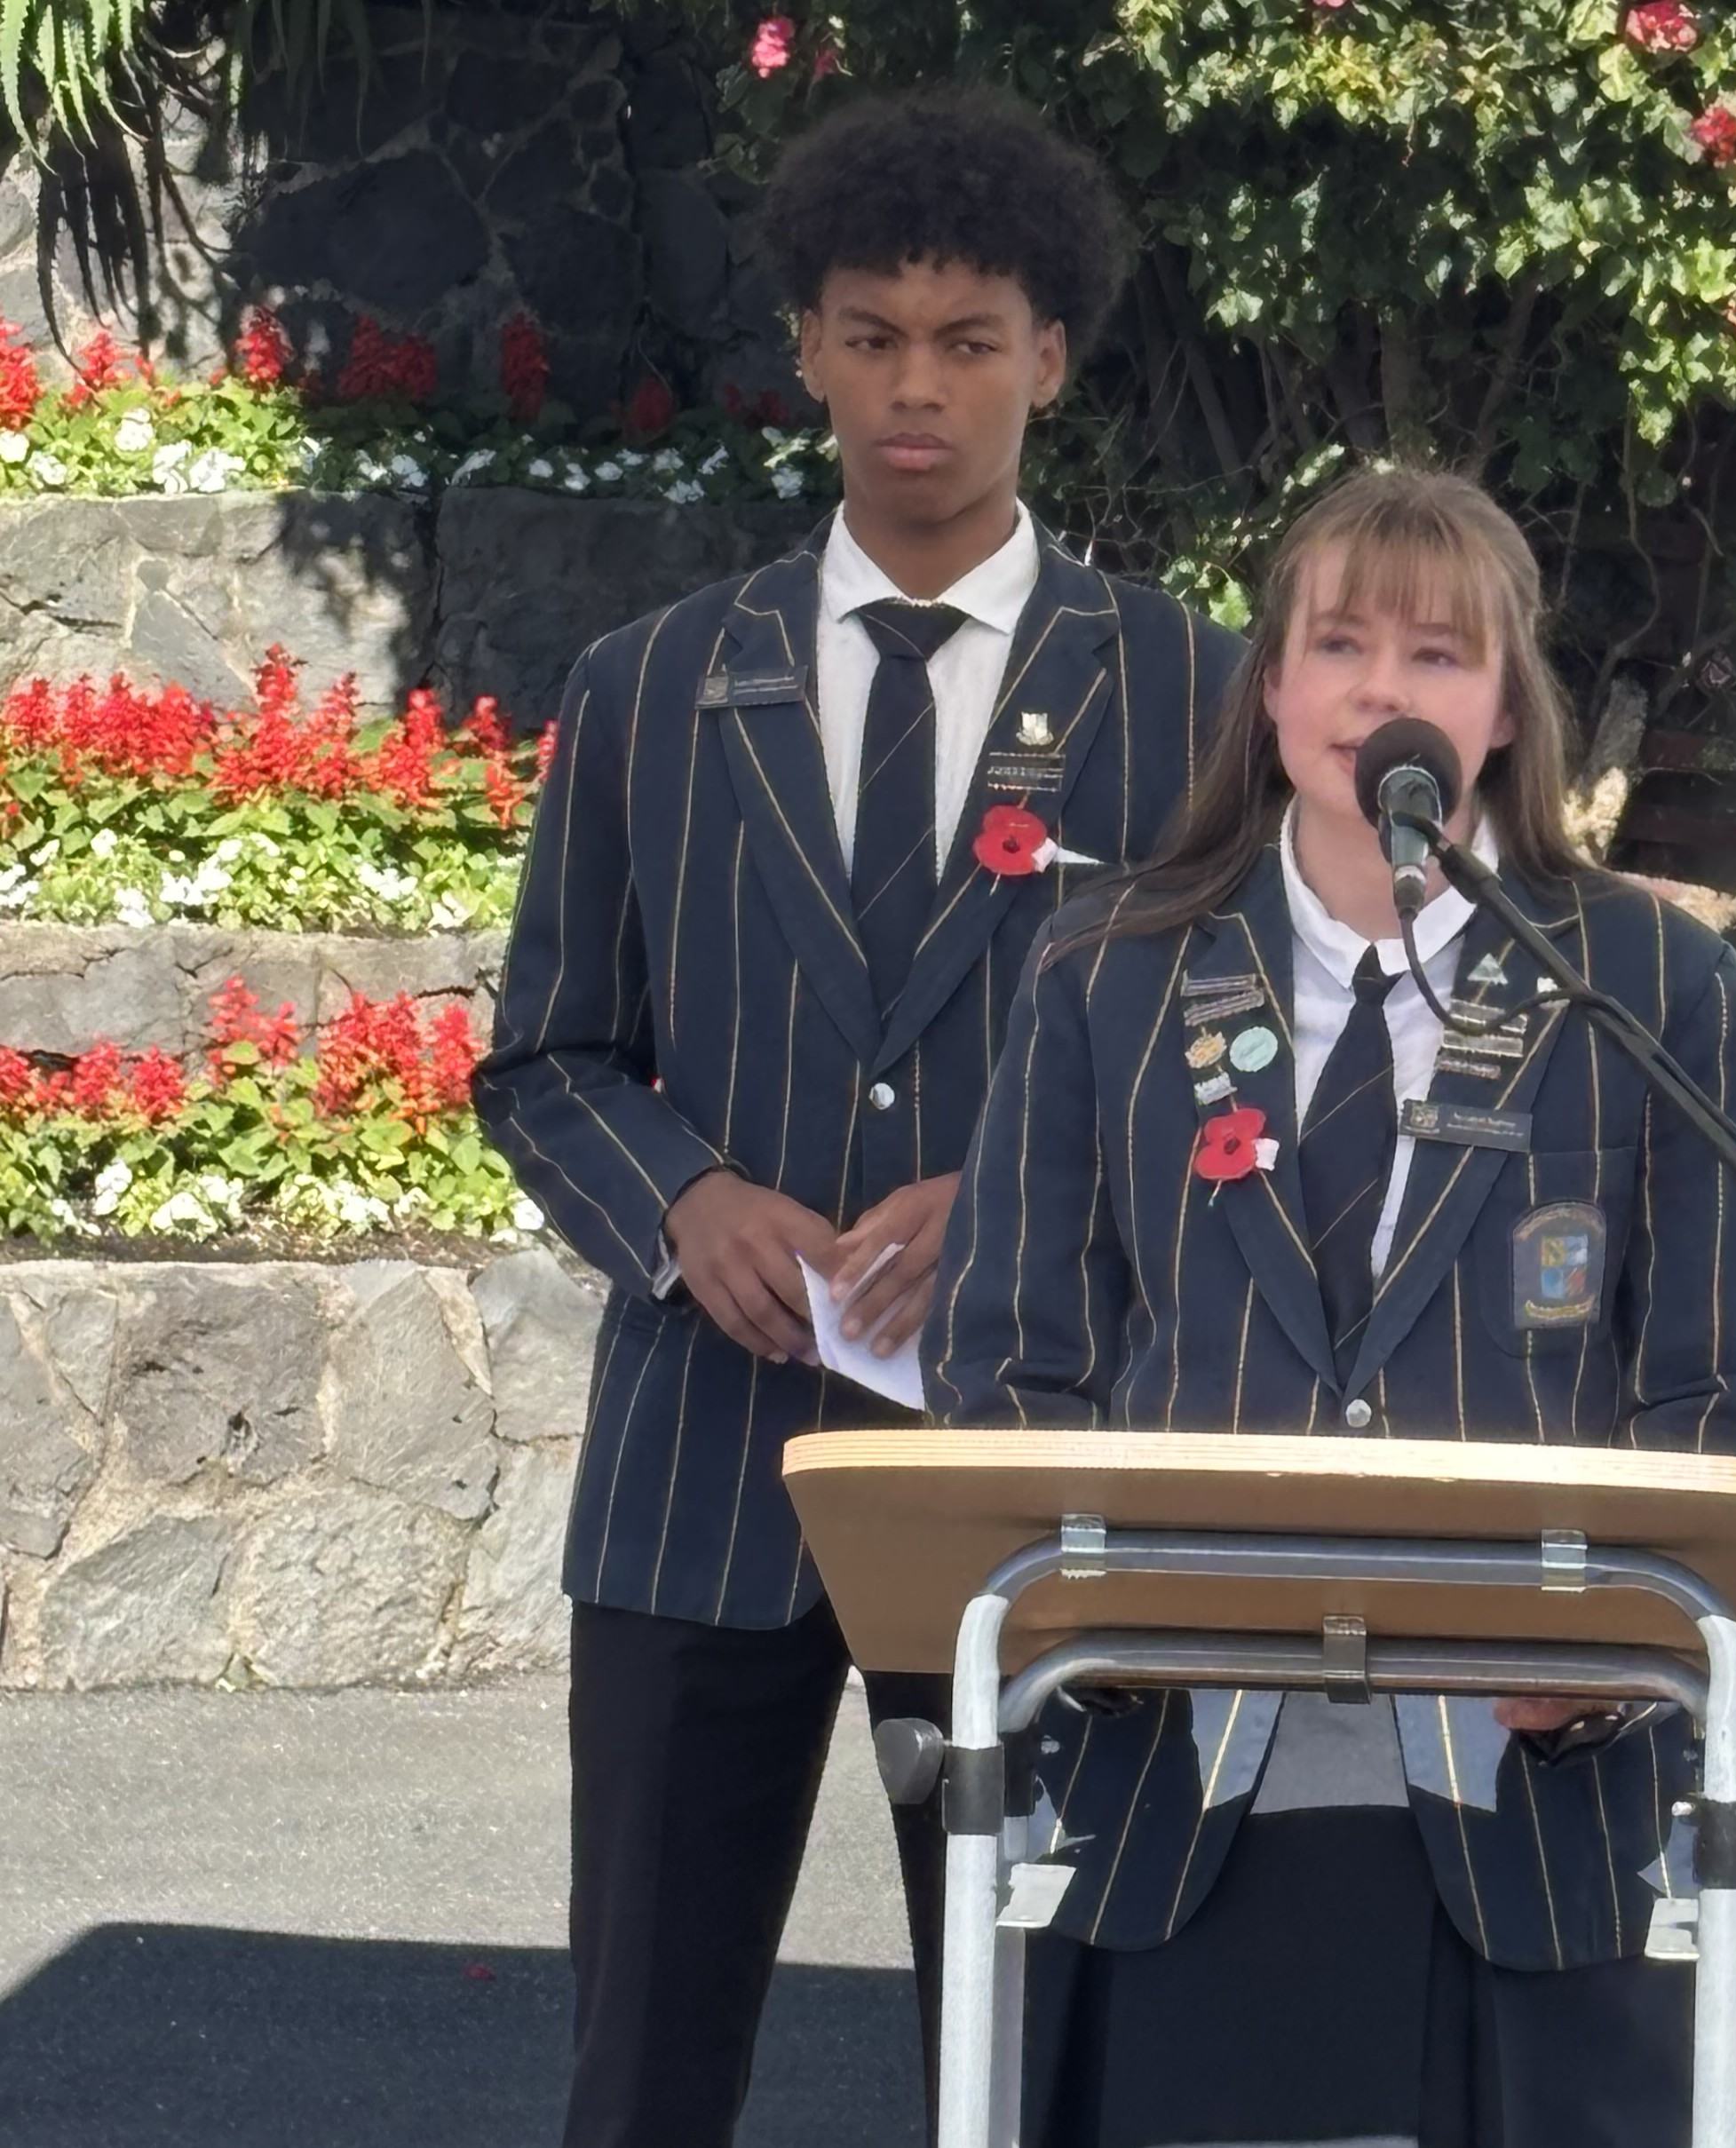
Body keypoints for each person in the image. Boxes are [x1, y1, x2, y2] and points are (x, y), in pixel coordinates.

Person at [472, 85, 1242, 2148]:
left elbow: (1246, 1065)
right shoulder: (648, 686)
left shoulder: (1192, 695)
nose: (919, 385)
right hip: (693, 1481)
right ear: (805, 347)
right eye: (875, 335)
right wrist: (682, 1199)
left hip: (1029, 1465)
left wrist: (1025, 1197)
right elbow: (544, 1055)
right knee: (640, 2073)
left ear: (1049, 358)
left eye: (968, 339)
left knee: (1035, 2070)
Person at [923, 465, 1736, 2146]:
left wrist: (1610, 1654)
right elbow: (1006, 1359)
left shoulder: (1641, 983)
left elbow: (1731, 1379)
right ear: (1269, 688)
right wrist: (1103, 1617)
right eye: (1339, 644)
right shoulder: (1113, 971)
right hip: (1173, 1757)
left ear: (1504, 713)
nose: (1379, 692)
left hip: (1536, 1781)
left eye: (1436, 654)